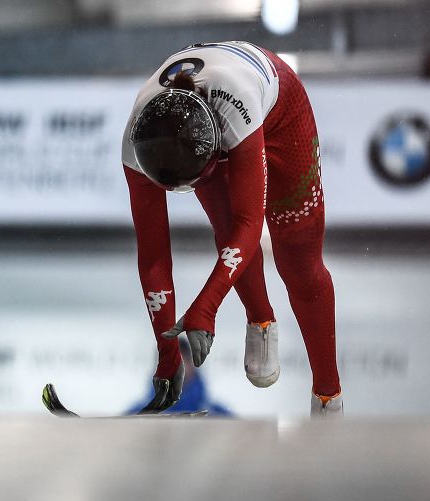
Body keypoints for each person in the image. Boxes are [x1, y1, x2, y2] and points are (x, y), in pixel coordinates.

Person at [122, 41, 343, 417]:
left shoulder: (235, 109)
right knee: (224, 227)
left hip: (277, 107)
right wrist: (167, 354)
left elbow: (250, 224)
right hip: (202, 124)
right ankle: (260, 318)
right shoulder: (135, 147)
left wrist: (206, 307)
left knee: (298, 262)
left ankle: (328, 393)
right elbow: (154, 258)